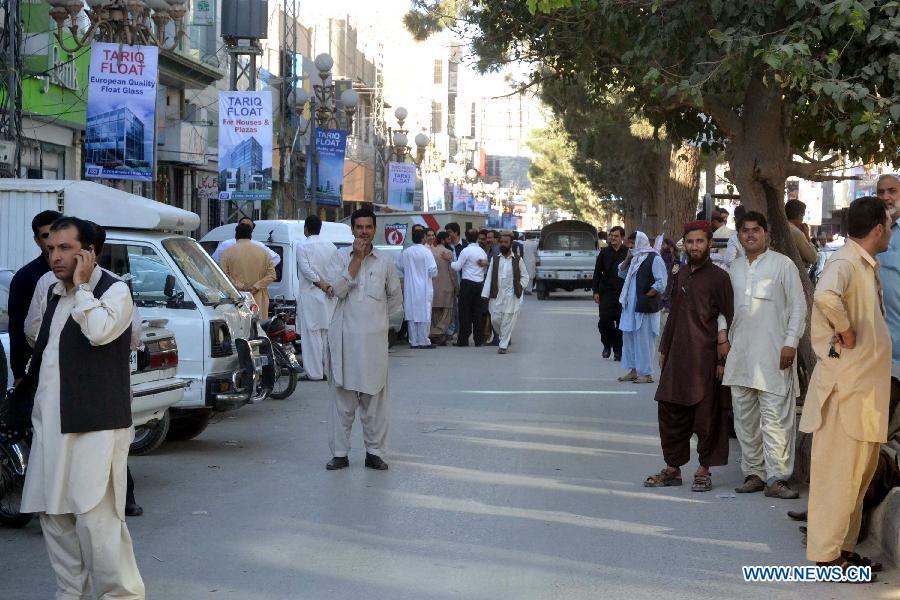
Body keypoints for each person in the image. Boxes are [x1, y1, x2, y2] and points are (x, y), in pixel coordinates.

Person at [20, 217, 145, 598]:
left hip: (97, 425)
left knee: (97, 522)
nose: (54, 256)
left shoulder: (114, 290)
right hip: (51, 424)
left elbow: (100, 331)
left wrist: (82, 290)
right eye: (51, 248)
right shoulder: (51, 290)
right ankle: (70, 593)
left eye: (65, 248)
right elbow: (36, 339)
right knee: (54, 515)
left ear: (89, 253)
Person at [799, 196, 891, 577]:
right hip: (846, 392)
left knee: (856, 478)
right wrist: (846, 331)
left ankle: (842, 549)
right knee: (839, 477)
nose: (890, 231)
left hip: (864, 392)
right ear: (877, 230)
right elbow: (824, 296)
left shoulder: (864, 263)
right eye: (888, 224)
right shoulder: (845, 262)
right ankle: (825, 556)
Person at [645, 220, 733, 492]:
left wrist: (721, 360)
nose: (695, 246)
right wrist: (664, 348)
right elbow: (674, 315)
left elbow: (729, 318)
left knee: (706, 417)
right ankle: (672, 469)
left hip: (705, 359)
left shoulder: (720, 278)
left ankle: (704, 470)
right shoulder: (680, 273)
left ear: (709, 243)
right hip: (677, 358)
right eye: (691, 241)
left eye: (700, 241)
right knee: (670, 412)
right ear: (685, 243)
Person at [723, 211, 806, 499]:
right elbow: (722, 308)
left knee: (776, 419)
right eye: (745, 230)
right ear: (739, 234)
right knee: (745, 419)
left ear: (766, 233)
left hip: (774, 354)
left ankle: (777, 478)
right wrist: (722, 337)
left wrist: (790, 343)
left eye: (756, 230)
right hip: (741, 355)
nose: (750, 235)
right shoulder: (732, 268)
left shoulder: (783, 265)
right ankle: (754, 474)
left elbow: (798, 305)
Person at [324, 208, 402, 471]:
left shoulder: (385, 262)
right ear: (352, 230)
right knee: (342, 404)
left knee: (375, 406)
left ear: (375, 229)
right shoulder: (339, 257)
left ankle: (375, 453)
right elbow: (336, 290)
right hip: (344, 343)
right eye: (359, 227)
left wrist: (377, 323)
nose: (364, 232)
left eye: (368, 227)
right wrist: (356, 260)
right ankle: (339, 453)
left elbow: (395, 299)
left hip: (374, 346)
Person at [7, 209, 61, 385]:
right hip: (37, 368)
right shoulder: (26, 277)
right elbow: (17, 327)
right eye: (46, 236)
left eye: (57, 233)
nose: (52, 240)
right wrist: (19, 374)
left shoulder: (80, 273)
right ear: (37, 240)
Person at [616, 231, 667, 384]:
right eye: (629, 244)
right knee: (629, 338)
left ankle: (646, 374)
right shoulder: (635, 259)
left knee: (644, 340)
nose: (630, 247)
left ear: (640, 243)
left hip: (644, 307)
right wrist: (628, 258)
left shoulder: (654, 258)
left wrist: (646, 296)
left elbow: (661, 283)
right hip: (630, 307)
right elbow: (621, 273)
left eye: (633, 244)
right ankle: (633, 370)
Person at [295, 215, 338, 381]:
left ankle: (314, 373)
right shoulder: (331, 246)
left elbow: (306, 271)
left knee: (311, 334)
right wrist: (328, 286)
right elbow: (336, 270)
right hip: (328, 295)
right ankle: (328, 370)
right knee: (326, 334)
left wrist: (320, 284)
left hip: (311, 295)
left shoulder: (303, 246)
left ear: (306, 228)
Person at [481, 232, 529, 354]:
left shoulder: (517, 260)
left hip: (511, 296)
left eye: (505, 242)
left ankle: (503, 346)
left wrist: (520, 286)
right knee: (495, 320)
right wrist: (485, 294)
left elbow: (525, 276)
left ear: (510, 244)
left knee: (508, 319)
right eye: (501, 242)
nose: (503, 244)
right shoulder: (495, 259)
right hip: (496, 295)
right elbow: (489, 277)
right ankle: (504, 337)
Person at [221, 222, 277, 319]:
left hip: (236, 298)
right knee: (258, 328)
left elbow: (222, 277)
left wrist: (241, 286)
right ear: (251, 235)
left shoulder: (227, 253)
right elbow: (272, 275)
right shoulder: (264, 252)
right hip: (258, 299)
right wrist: (256, 286)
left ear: (236, 235)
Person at [592, 225, 627, 361]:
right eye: (611, 236)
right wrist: (595, 291)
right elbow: (597, 272)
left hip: (622, 294)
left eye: (616, 236)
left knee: (620, 324)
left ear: (622, 238)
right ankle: (607, 345)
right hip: (606, 293)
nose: (613, 238)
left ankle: (618, 351)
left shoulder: (627, 253)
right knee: (604, 322)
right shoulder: (604, 253)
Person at [398, 228, 438, 349]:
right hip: (424, 288)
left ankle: (413, 341)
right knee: (424, 314)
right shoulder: (427, 252)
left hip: (410, 288)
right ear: (423, 238)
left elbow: (399, 265)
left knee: (411, 314)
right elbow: (433, 270)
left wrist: (409, 272)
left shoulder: (406, 252)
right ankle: (424, 340)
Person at [451, 229, 488, 347]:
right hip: (479, 284)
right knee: (477, 312)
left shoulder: (465, 251)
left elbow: (457, 267)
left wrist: (449, 260)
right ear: (477, 238)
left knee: (464, 312)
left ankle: (463, 339)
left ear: (466, 238)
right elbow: (485, 268)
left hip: (467, 283)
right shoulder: (482, 251)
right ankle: (478, 339)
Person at [211, 216, 281, 267]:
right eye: (243, 224)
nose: (245, 226)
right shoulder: (226, 245)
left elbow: (276, 258)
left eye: (247, 226)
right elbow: (214, 263)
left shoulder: (259, 246)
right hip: (232, 285)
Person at [430, 231, 457, 346]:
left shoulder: (430, 251)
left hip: (433, 287)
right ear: (442, 240)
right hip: (447, 287)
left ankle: (436, 336)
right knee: (446, 314)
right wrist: (456, 286)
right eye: (448, 239)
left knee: (435, 313)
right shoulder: (448, 253)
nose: (450, 241)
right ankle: (437, 334)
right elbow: (452, 273)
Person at [785, 199, 819, 267]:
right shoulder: (796, 232)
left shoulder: (784, 226)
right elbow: (813, 258)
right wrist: (807, 235)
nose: (802, 219)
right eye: (803, 216)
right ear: (799, 215)